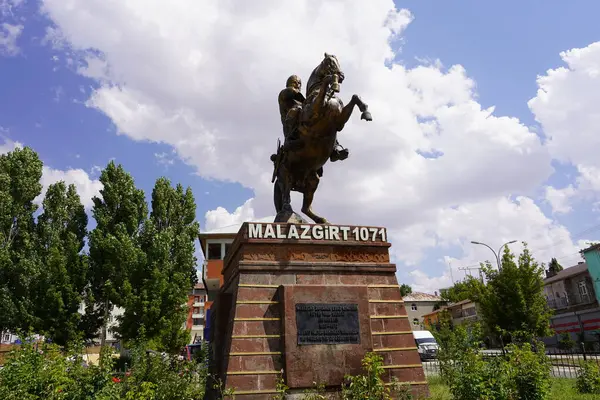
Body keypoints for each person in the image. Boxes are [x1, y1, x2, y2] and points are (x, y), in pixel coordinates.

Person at [277, 75, 349, 162]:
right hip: (291, 121)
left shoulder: (300, 99)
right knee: (295, 111)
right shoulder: (285, 93)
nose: (297, 85)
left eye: (299, 83)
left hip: (301, 118)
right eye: (294, 82)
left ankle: (334, 148)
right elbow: (292, 92)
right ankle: (289, 140)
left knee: (326, 120)